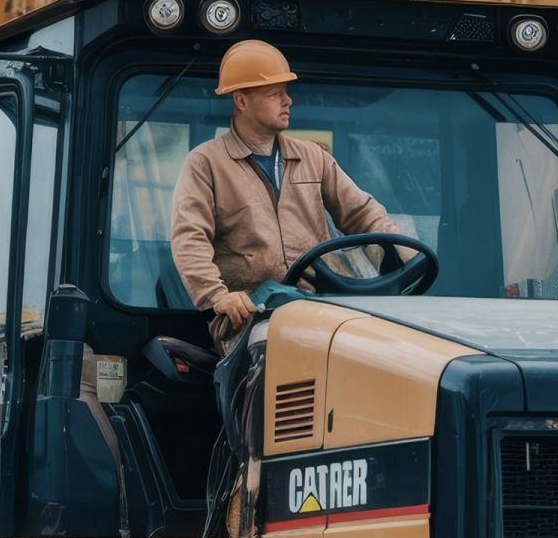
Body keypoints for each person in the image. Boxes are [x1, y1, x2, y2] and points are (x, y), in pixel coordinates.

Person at [170, 39, 402, 345]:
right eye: (274, 94)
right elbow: (190, 238)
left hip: (320, 307)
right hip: (251, 318)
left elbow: (361, 212)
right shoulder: (206, 163)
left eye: (286, 92)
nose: (287, 101)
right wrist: (217, 296)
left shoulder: (313, 158)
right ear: (241, 101)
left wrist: (404, 252)